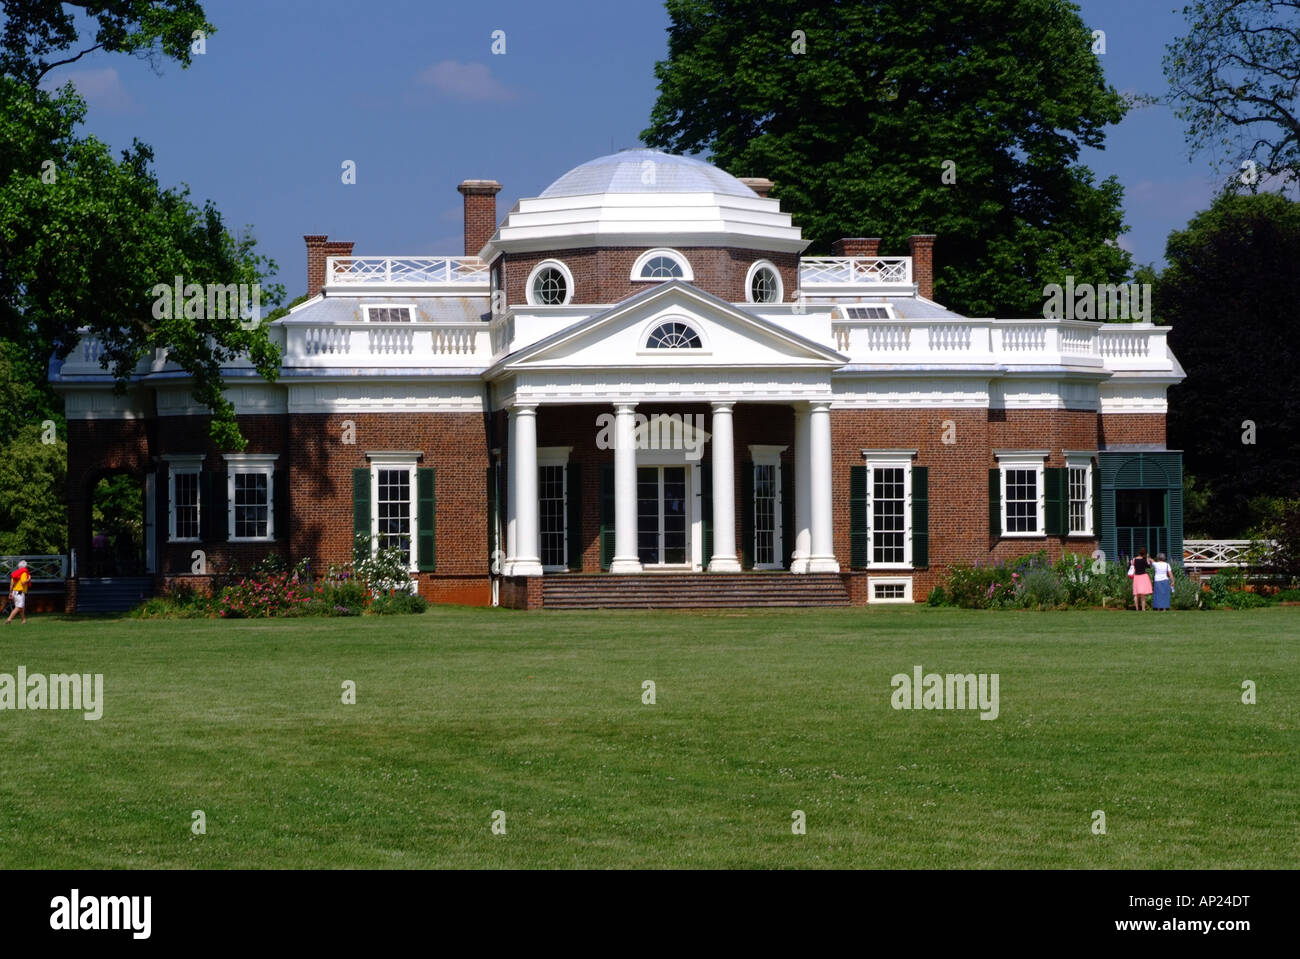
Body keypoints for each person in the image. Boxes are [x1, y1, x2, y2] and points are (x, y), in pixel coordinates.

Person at [6, 560, 31, 624]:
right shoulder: (24, 573)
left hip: (14, 591)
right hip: (20, 592)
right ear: (25, 566)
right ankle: (9, 619)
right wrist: (28, 579)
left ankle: (23, 621)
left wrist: (10, 593)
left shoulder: (15, 573)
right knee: (19, 607)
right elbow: (23, 582)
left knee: (21, 607)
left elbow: (11, 584)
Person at [1129, 547, 1153, 611]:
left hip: (1136, 577)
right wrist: (1147, 558)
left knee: (1136, 594)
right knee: (1143, 595)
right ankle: (1143, 609)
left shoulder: (1134, 559)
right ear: (1145, 553)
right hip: (1143, 577)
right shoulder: (1144, 560)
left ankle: (1137, 608)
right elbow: (1149, 566)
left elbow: (1130, 566)